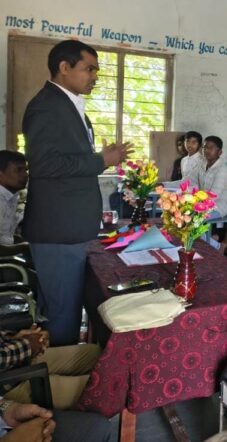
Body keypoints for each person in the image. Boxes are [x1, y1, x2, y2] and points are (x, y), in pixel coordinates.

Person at [23, 40, 131, 346]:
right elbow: (43, 164)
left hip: (71, 227)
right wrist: (101, 160)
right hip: (59, 231)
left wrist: (100, 157)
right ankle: (60, 372)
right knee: (62, 314)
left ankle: (67, 363)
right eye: (89, 69)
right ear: (64, 67)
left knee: (69, 308)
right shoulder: (46, 106)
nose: (95, 76)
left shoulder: (69, 106)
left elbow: (66, 160)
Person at [2, 325, 100, 410]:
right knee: (101, 385)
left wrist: (15, 337)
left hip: (13, 359)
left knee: (95, 353)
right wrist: (29, 344)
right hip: (7, 386)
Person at [0, 151, 29, 256]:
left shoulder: (12, 197)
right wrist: (23, 247)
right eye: (18, 170)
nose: (25, 175)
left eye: (26, 170)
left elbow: (5, 237)